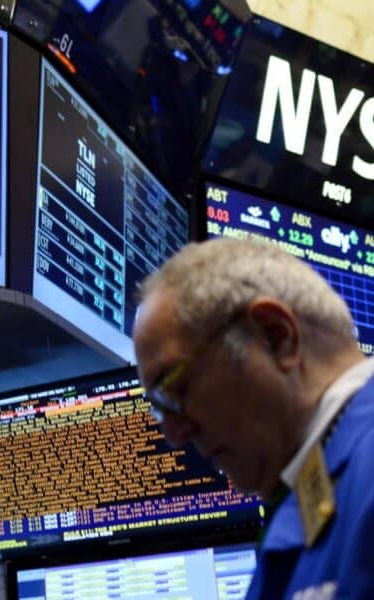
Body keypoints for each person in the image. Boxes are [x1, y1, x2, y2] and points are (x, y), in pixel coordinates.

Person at [132, 237, 374, 599]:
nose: (174, 433)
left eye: (176, 388)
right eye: (159, 407)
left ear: (275, 337)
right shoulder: (307, 493)